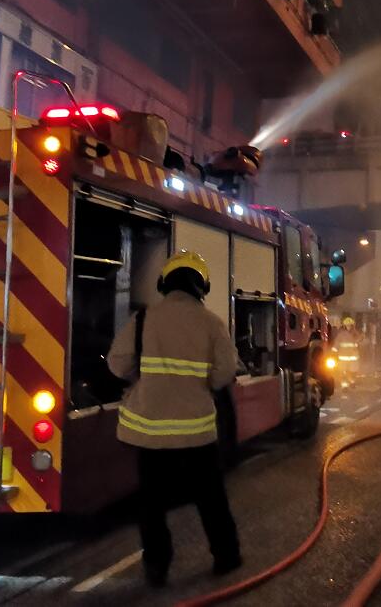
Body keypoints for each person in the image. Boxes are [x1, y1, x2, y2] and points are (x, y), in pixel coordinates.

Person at [108, 251, 242, 587]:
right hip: (196, 432)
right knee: (211, 499)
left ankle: (156, 567)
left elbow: (118, 364)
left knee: (151, 505)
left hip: (148, 433)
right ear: (202, 286)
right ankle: (226, 558)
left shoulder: (142, 319)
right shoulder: (212, 323)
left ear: (164, 283)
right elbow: (225, 372)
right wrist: (204, 384)